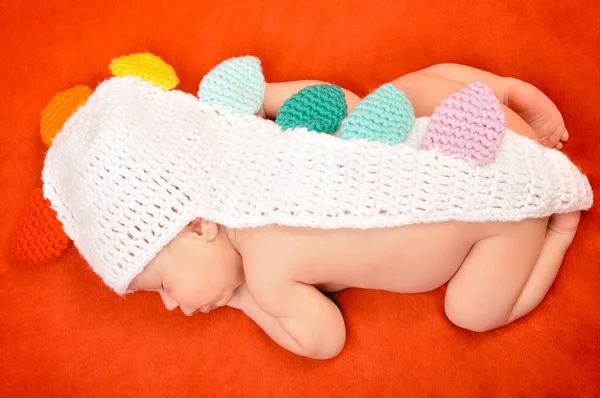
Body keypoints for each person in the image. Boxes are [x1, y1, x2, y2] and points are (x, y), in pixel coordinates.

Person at [26, 55, 593, 360]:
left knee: (471, 313)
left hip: (503, 224)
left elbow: (323, 341)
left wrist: (245, 298)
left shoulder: (269, 274)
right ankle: (506, 91)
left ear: (199, 226)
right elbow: (337, 102)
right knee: (393, 96)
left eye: (162, 286)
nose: (173, 305)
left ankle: (559, 233)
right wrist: (266, 95)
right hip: (473, 128)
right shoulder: (263, 147)